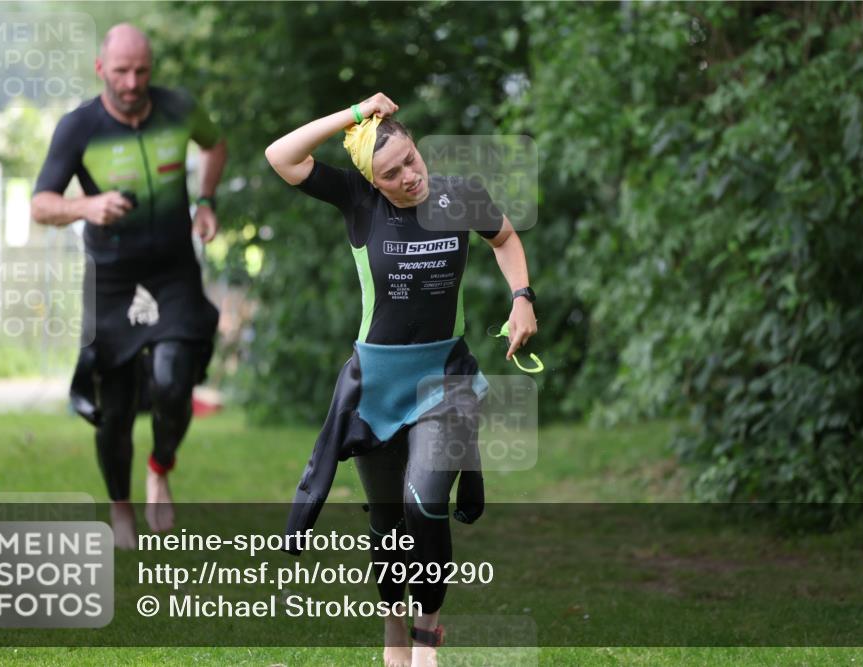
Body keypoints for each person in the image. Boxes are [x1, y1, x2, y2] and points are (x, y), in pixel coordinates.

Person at [266, 93, 537, 667]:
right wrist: (355, 114)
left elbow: (506, 239)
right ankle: (393, 640)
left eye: (412, 160)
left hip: (444, 380)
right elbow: (281, 156)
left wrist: (521, 297)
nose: (410, 177)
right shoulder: (359, 201)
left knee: (426, 502)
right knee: (388, 522)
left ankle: (427, 635)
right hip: (378, 386)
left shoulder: (459, 194)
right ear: (373, 180)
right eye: (392, 173)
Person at [31, 24, 227, 549]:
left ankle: (160, 465)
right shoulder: (79, 127)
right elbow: (41, 203)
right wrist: (86, 206)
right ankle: (120, 506)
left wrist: (206, 200)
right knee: (114, 410)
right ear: (102, 69)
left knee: (173, 380)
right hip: (113, 278)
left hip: (173, 270)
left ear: (151, 68)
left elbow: (215, 145)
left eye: (141, 70)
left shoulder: (178, 108)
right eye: (120, 70)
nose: (132, 81)